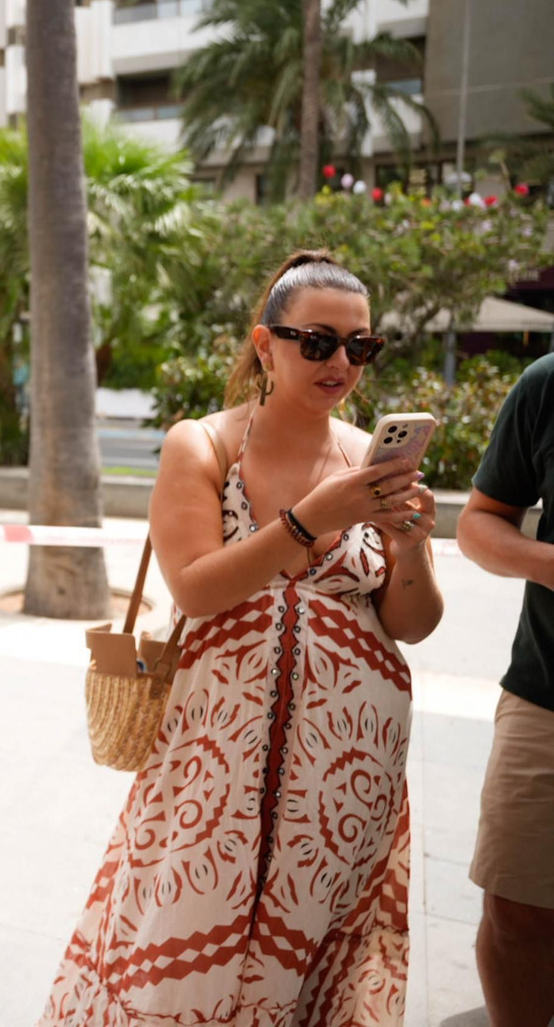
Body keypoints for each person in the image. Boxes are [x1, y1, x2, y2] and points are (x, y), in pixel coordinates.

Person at [41, 251, 443, 1026]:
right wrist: (313, 518)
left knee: (317, 952)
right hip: (212, 762)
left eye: (360, 346)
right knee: (183, 935)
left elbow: (410, 624)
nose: (341, 363)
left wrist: (414, 541)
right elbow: (193, 585)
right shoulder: (204, 445)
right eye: (318, 342)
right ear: (266, 344)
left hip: (346, 769)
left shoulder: (370, 458)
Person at [456, 353, 554, 1027]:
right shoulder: (547, 384)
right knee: (515, 911)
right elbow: (479, 524)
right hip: (545, 695)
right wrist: (549, 563)